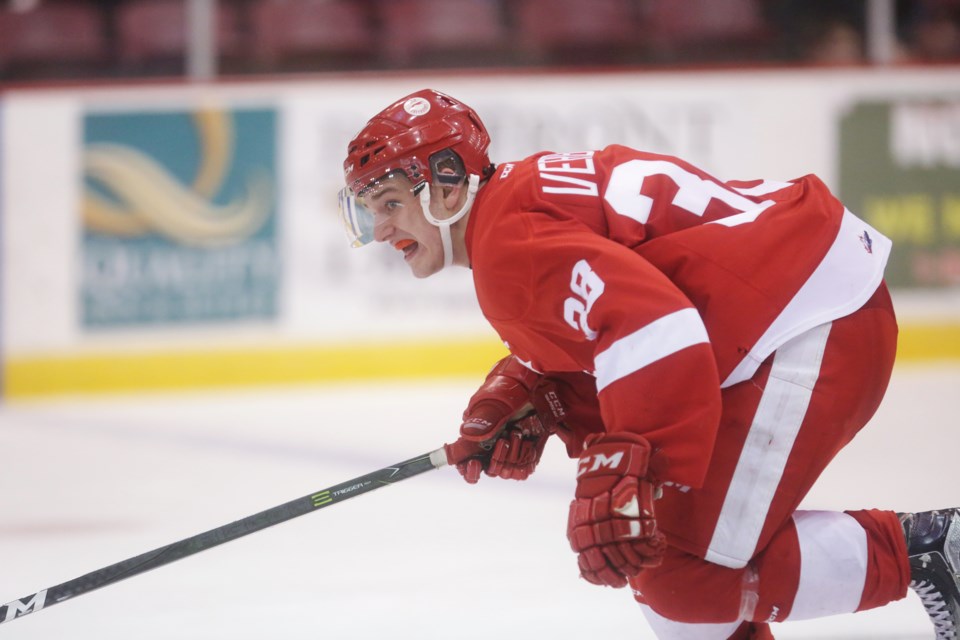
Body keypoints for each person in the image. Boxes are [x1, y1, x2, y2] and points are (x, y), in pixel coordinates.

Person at [337, 88, 960, 639]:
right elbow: (615, 320)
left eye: (390, 202)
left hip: (812, 323)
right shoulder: (514, 206)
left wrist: (630, 459)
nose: (381, 228)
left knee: (681, 577)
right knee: (678, 588)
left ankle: (929, 548)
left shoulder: (506, 251)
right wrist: (534, 393)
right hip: (807, 305)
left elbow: (656, 328)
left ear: (446, 182)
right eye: (369, 211)